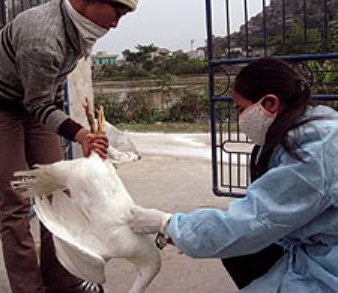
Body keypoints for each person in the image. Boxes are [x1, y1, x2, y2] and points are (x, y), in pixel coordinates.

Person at [0, 0, 138, 292]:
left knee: (59, 192)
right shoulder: (44, 38)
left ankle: (63, 280)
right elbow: (36, 102)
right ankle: (28, 288)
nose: (116, 24)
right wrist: (80, 135)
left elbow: (42, 97)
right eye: (117, 12)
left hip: (35, 100)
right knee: (16, 200)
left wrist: (82, 133)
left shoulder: (77, 24)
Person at [129, 57, 338, 292]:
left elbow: (256, 219)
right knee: (238, 252)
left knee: (240, 242)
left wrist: (169, 225)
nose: (240, 119)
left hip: (328, 264)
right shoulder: (307, 131)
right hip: (314, 248)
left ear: (270, 103)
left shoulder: (316, 150)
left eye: (240, 108)